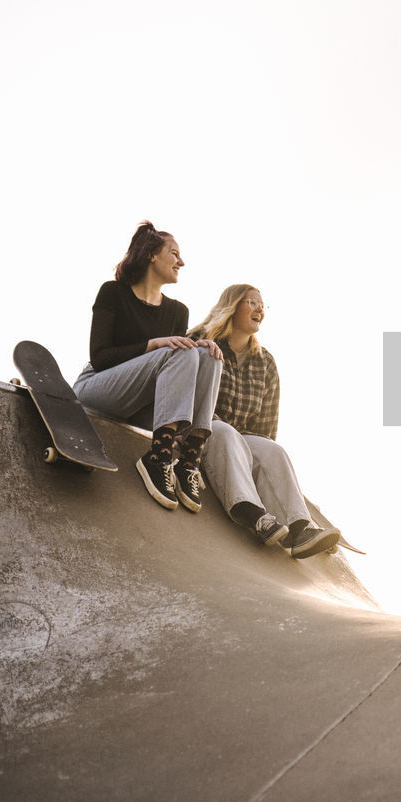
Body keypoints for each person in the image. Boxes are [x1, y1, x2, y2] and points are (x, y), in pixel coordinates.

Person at [74, 221, 223, 512]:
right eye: (174, 253)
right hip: (97, 388)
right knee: (179, 349)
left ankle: (189, 459)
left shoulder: (178, 311)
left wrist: (201, 348)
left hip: (141, 408)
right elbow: (100, 357)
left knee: (206, 354)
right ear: (152, 254)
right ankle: (159, 457)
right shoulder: (113, 293)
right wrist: (152, 344)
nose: (182, 261)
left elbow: (175, 374)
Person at [187, 284, 341, 558]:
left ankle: (299, 529)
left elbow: (266, 428)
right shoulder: (200, 339)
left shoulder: (265, 361)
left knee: (273, 449)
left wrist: (260, 457)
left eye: (262, 305)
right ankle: (252, 513)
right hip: (200, 429)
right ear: (232, 307)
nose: (260, 309)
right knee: (224, 432)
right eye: (252, 302)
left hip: (239, 438)